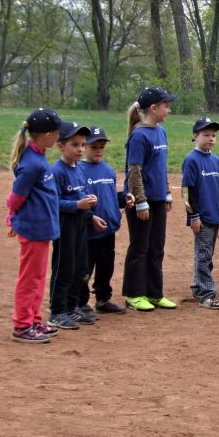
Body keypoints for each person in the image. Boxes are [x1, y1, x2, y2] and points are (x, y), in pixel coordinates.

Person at [5, 108, 62, 344]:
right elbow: (16, 196)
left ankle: (34, 319)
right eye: (57, 132)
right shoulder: (31, 163)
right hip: (33, 229)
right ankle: (22, 325)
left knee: (38, 277)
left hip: (42, 228)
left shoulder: (38, 156)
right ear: (48, 135)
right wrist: (12, 217)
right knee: (30, 279)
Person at [122, 85, 178, 312]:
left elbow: (160, 167)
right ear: (153, 108)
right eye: (166, 106)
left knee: (157, 246)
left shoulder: (161, 132)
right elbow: (134, 170)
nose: (169, 111)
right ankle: (134, 294)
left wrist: (166, 192)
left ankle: (154, 293)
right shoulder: (139, 135)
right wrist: (140, 200)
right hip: (140, 200)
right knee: (140, 246)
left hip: (156, 198)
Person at [78, 125, 133, 315]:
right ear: (84, 147)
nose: (99, 151)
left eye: (101, 147)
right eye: (94, 147)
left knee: (106, 265)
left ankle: (103, 299)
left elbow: (109, 197)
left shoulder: (108, 170)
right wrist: (90, 217)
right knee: (85, 268)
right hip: (88, 230)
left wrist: (123, 198)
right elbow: (78, 201)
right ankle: (80, 302)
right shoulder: (79, 170)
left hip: (107, 230)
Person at [49, 121, 98, 330]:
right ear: (61, 146)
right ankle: (57, 311)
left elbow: (80, 197)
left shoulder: (78, 169)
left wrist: (90, 214)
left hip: (80, 224)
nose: (80, 149)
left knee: (80, 267)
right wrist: (77, 204)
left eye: (83, 145)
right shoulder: (57, 171)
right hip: (64, 225)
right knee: (64, 267)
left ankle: (71, 306)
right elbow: (54, 202)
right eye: (75, 145)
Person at [181, 116, 219, 309]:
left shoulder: (216, 160)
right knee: (204, 255)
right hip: (201, 217)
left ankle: (198, 287)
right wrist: (193, 216)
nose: (210, 138)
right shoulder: (192, 160)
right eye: (205, 135)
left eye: (213, 135)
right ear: (195, 136)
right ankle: (207, 295)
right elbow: (187, 191)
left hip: (214, 215)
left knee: (206, 254)